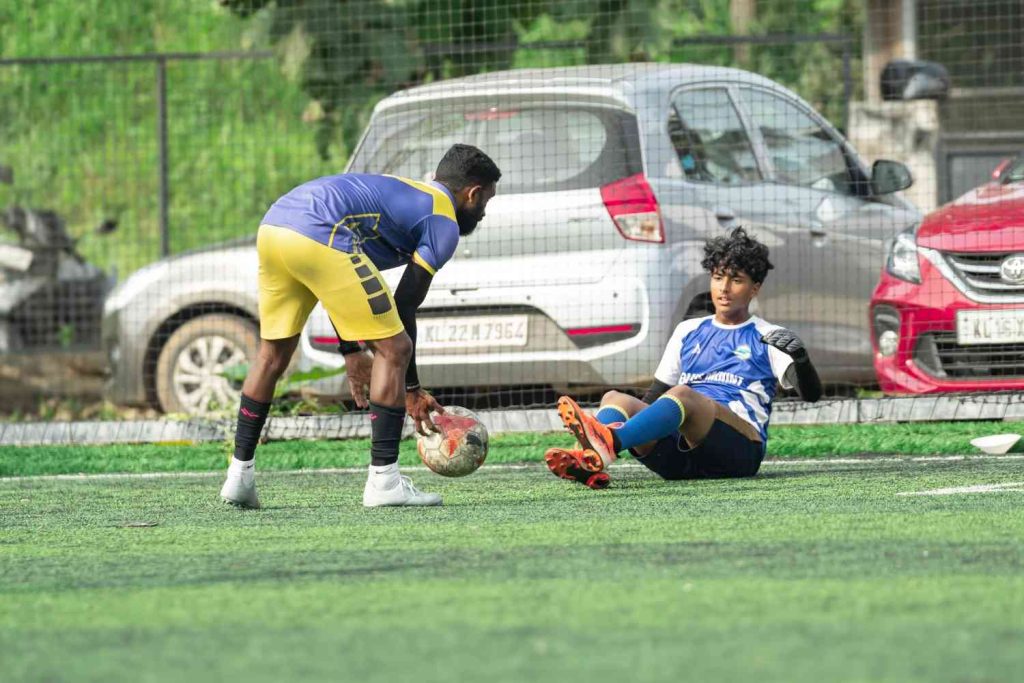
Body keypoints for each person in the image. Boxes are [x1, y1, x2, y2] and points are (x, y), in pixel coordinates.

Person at [219, 144, 501, 508]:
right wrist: (412, 388)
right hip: (319, 232)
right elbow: (403, 305)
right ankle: (384, 482)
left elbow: (342, 282)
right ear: (472, 193)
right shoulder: (442, 222)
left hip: (276, 226)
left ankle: (238, 477)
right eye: (485, 203)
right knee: (396, 348)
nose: (482, 214)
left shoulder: (406, 195)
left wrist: (352, 350)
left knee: (272, 356)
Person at [545, 226, 822, 489]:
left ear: (755, 287)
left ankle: (607, 442)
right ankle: (592, 459)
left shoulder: (767, 334)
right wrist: (639, 426)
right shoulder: (688, 331)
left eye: (736, 280)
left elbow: (810, 394)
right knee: (614, 399)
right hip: (678, 458)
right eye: (717, 277)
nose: (724, 288)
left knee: (685, 395)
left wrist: (801, 359)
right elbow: (654, 398)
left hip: (737, 454)